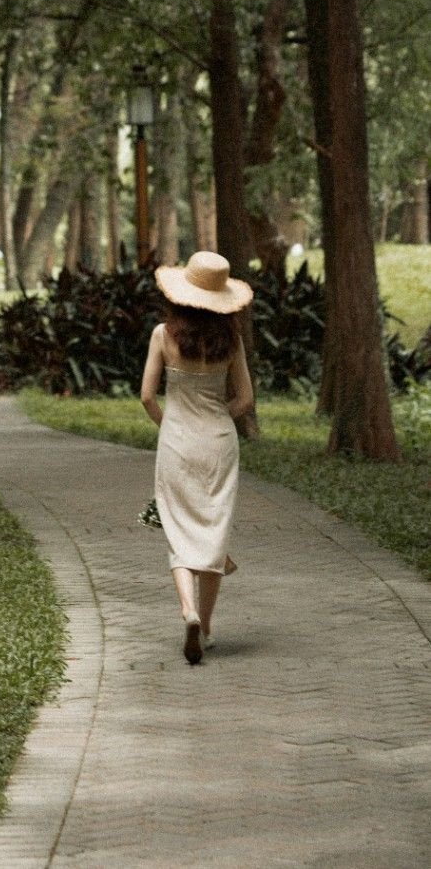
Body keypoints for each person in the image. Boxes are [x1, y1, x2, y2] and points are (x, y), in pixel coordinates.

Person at [140, 251, 254, 665]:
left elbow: (147, 396)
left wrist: (170, 425)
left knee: (179, 529)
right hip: (219, 443)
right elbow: (244, 399)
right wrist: (219, 418)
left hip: (177, 443)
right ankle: (204, 627)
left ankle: (187, 610)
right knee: (213, 530)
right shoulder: (231, 340)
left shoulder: (161, 336)